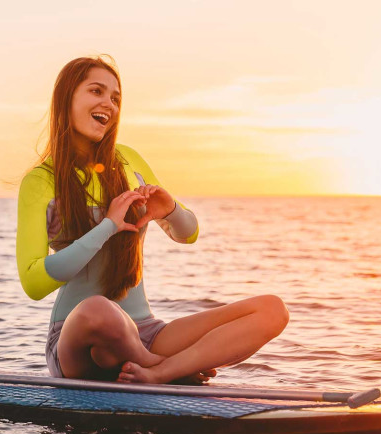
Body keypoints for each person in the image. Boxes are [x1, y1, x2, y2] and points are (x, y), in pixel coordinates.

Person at [16, 55, 289, 384]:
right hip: (80, 338)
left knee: (272, 310)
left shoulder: (129, 162)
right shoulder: (41, 182)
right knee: (98, 308)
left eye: (115, 98)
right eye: (96, 91)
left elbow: (188, 234)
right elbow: (33, 283)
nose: (109, 104)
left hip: (147, 330)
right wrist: (107, 227)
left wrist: (170, 209)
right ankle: (164, 366)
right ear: (67, 98)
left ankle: (161, 371)